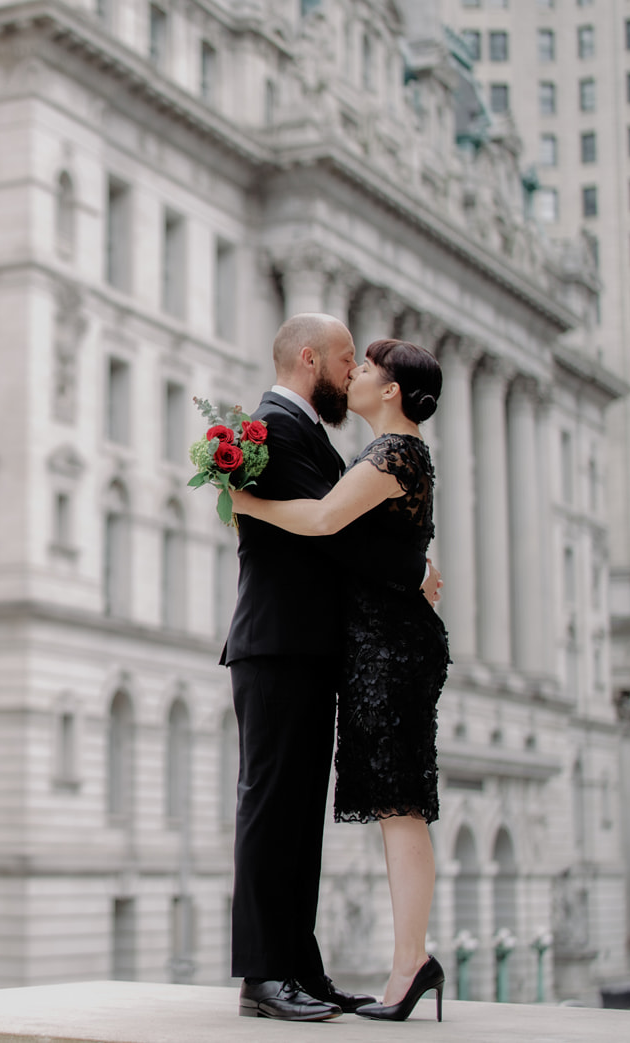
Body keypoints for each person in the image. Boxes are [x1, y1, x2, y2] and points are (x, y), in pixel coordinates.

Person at [220, 314, 442, 1022]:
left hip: (313, 649)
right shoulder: (273, 429)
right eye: (348, 359)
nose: (353, 372)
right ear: (309, 358)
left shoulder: (311, 431)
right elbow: (330, 529)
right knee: (269, 810)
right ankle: (264, 974)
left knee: (296, 819)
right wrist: (415, 569)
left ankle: (300, 969)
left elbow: (335, 521)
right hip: (277, 643)